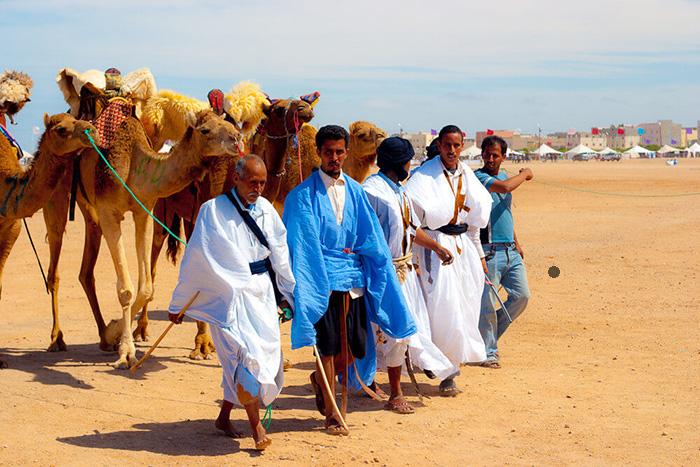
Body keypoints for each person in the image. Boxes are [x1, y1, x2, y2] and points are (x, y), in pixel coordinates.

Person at [283, 125, 415, 435]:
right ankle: (332, 414)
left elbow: (372, 238)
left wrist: (379, 270)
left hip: (353, 276)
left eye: (339, 152)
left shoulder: (356, 192)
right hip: (322, 279)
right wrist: (316, 282)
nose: (334, 158)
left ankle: (320, 382)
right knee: (327, 348)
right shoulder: (302, 196)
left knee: (353, 348)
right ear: (319, 153)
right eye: (328, 152)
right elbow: (303, 244)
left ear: (346, 152)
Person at [168, 154, 295, 451]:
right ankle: (257, 428)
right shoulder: (213, 211)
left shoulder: (266, 209)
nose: (258, 188)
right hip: (229, 296)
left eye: (263, 183)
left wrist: (288, 294)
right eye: (253, 182)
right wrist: (179, 304)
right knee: (243, 357)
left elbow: (280, 254)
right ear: (236, 178)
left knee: (260, 356)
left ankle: (224, 417)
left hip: (262, 295)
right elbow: (197, 259)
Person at [363, 136, 459, 412]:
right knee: (392, 333)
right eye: (407, 160)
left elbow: (409, 228)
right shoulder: (373, 192)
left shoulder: (399, 191)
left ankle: (394, 380)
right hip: (383, 273)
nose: (410, 165)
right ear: (398, 163)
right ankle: (395, 392)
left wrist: (436, 247)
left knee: (405, 329)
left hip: (404, 272)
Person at [405, 125, 493, 396]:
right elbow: (410, 223)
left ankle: (450, 369)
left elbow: (475, 226)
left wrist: (479, 257)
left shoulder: (468, 176)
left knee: (463, 310)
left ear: (462, 144)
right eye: (447, 145)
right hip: (434, 250)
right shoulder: (423, 177)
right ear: (439, 145)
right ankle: (440, 366)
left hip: (464, 251)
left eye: (456, 146)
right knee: (440, 310)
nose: (452, 151)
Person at [474, 136, 532, 368]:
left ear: (503, 157)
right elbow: (506, 188)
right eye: (487, 154)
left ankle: (484, 336)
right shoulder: (479, 177)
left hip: (510, 250)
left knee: (522, 296)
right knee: (487, 303)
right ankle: (488, 352)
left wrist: (516, 241)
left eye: (495, 155)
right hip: (488, 250)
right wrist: (526, 173)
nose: (490, 158)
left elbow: (505, 212)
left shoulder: (507, 175)